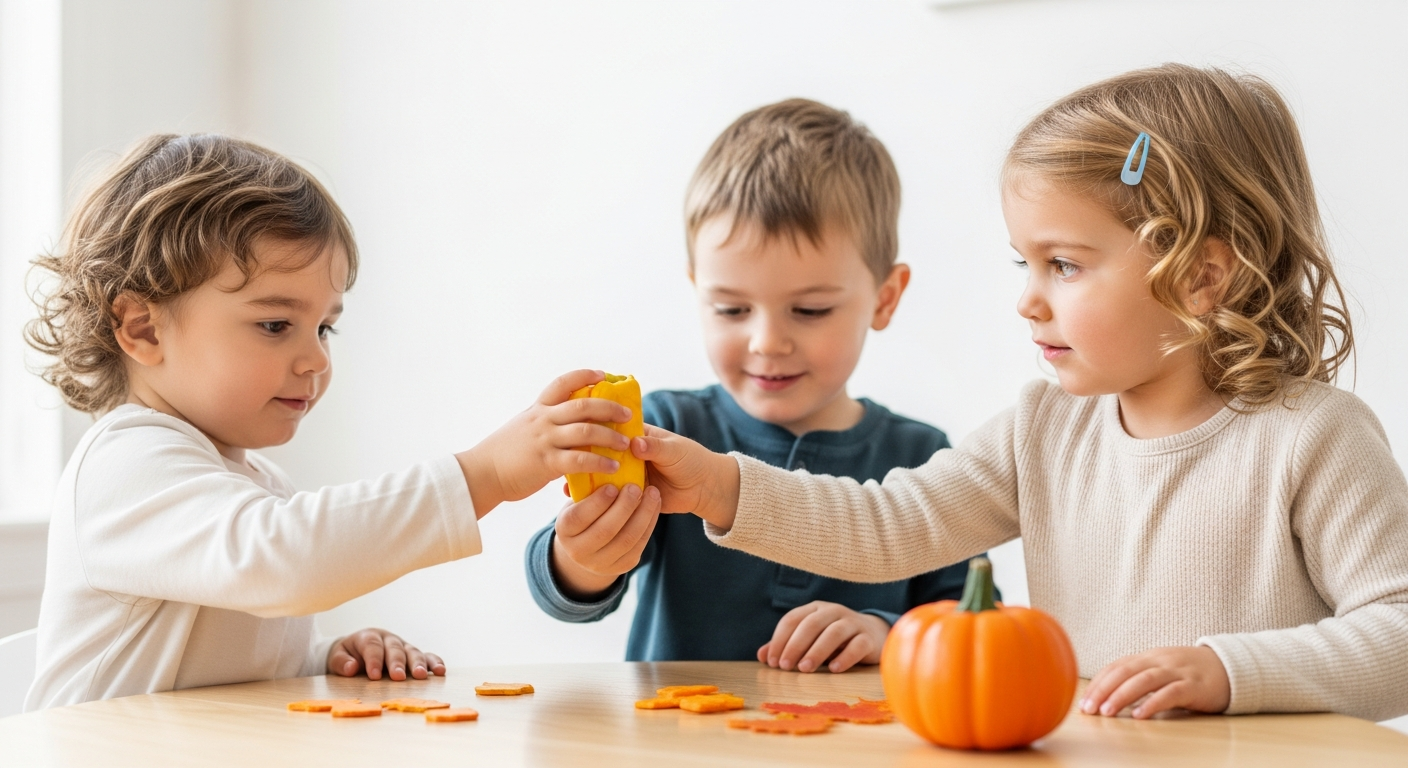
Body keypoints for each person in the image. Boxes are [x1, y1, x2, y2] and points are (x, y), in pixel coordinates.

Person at [630, 65, 1408, 722]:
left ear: (1201, 276)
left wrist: (1230, 673)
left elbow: (1399, 632)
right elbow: (887, 522)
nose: (1029, 301)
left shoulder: (1314, 438)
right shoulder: (1044, 430)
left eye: (1063, 265)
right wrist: (721, 485)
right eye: (1023, 265)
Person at [23, 134, 630, 710]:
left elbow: (225, 661)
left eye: (325, 327)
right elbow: (279, 560)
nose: (316, 358)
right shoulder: (125, 465)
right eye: (274, 325)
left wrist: (323, 659)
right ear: (142, 328)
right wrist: (485, 474)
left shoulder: (255, 488)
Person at [525, 99, 990, 673]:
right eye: (731, 308)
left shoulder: (921, 458)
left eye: (810, 310)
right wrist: (583, 557)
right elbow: (566, 597)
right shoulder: (665, 431)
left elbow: (976, 625)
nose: (767, 342)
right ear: (698, 289)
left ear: (885, 298)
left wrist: (885, 632)